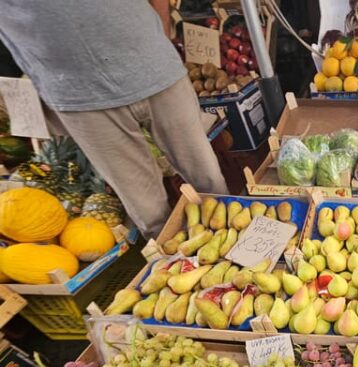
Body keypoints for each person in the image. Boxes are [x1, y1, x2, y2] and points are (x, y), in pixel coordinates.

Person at [0, 0, 229, 237]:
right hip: (78, 95)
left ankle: (234, 240)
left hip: (154, 66)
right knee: (147, 208)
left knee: (208, 178)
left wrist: (161, 30)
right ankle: (177, 264)